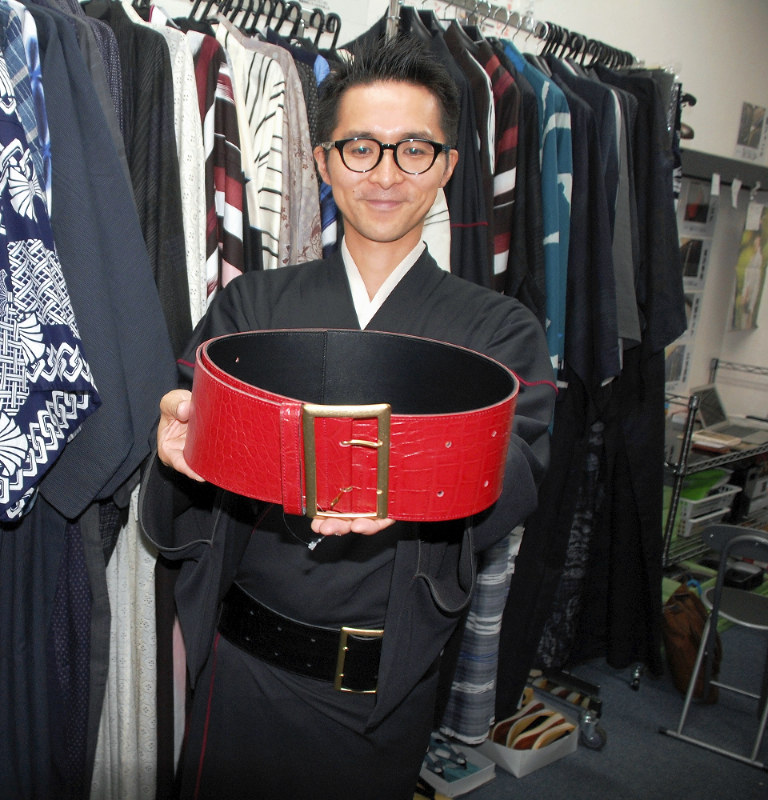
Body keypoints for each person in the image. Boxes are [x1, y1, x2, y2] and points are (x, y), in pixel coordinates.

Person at [140, 35, 556, 800]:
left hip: (378, 696)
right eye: (361, 148)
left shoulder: (502, 334)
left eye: (414, 149)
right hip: (239, 676)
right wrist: (173, 441)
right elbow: (187, 427)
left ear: (450, 167)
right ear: (324, 162)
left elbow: (519, 464)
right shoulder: (249, 309)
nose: (387, 174)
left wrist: (418, 486)